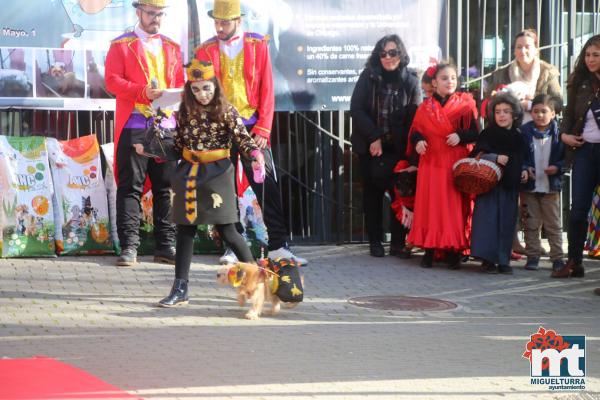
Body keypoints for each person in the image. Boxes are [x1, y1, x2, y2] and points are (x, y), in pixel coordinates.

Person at [195, 0, 307, 266]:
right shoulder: (205, 50)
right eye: (216, 22)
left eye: (224, 22)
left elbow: (268, 89)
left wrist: (264, 127)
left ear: (238, 20)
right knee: (223, 188)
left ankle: (278, 246)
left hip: (252, 126)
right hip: (220, 128)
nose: (219, 27)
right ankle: (234, 245)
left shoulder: (258, 45)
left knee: (266, 184)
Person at [157, 59, 265, 307]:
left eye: (206, 88)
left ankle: (255, 278)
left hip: (218, 174)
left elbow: (243, 139)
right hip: (190, 173)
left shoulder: (227, 111)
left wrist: (255, 156)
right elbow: (175, 146)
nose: (202, 94)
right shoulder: (182, 113)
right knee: (185, 229)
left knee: (228, 230)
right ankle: (180, 288)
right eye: (195, 89)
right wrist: (154, 143)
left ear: (215, 86)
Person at [105, 0, 183, 266]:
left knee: (166, 188)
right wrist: (142, 92)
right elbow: (112, 80)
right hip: (134, 125)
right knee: (130, 188)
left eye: (160, 14)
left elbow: (180, 85)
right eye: (151, 13)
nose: (156, 19)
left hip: (167, 125)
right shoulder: (120, 45)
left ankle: (165, 246)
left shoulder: (173, 47)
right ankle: (129, 247)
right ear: (138, 12)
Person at [487, 29, 562, 257]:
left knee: (536, 191)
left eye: (527, 46)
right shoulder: (503, 73)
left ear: (536, 48)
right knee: (512, 189)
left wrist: (529, 104)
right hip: (512, 136)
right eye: (519, 47)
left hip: (540, 139)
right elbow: (490, 99)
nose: (523, 51)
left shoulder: (548, 71)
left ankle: (535, 244)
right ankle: (514, 243)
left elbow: (557, 102)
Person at [350, 34, 421, 258]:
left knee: (400, 194)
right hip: (371, 146)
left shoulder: (411, 80)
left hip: (398, 148)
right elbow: (357, 109)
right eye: (383, 53)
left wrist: (410, 152)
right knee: (372, 194)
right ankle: (375, 241)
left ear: (401, 54)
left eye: (392, 52)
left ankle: (398, 243)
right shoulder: (369, 76)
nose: (388, 57)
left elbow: (415, 115)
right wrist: (373, 137)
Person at [407, 62, 478, 269]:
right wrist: (418, 141)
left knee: (454, 207)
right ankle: (429, 249)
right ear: (434, 83)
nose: (450, 82)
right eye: (445, 78)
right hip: (431, 162)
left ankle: (453, 250)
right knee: (431, 206)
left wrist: (461, 136)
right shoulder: (424, 107)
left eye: (453, 78)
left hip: (454, 162)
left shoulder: (466, 105)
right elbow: (415, 132)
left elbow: (475, 133)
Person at [552, 34, 600, 280]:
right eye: (588, 54)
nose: (590, 59)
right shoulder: (579, 82)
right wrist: (564, 136)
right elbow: (568, 115)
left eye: (596, 55)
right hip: (584, 150)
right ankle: (574, 261)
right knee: (578, 208)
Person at [470, 93, 526, 275]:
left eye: (506, 112)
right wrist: (494, 157)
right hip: (489, 185)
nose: (501, 115)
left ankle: (503, 260)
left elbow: (524, 157)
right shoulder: (488, 133)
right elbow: (477, 155)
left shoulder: (519, 136)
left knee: (507, 223)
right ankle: (487, 260)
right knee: (487, 222)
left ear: (514, 115)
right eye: (498, 112)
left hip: (509, 185)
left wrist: (525, 169)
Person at [520, 94, 565, 271]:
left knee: (553, 224)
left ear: (553, 114)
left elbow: (566, 158)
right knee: (530, 223)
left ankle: (557, 258)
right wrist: (525, 167)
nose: (539, 115)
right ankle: (532, 256)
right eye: (535, 111)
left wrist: (557, 167)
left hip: (550, 186)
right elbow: (520, 156)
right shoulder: (524, 132)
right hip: (530, 186)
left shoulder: (560, 134)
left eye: (544, 111)